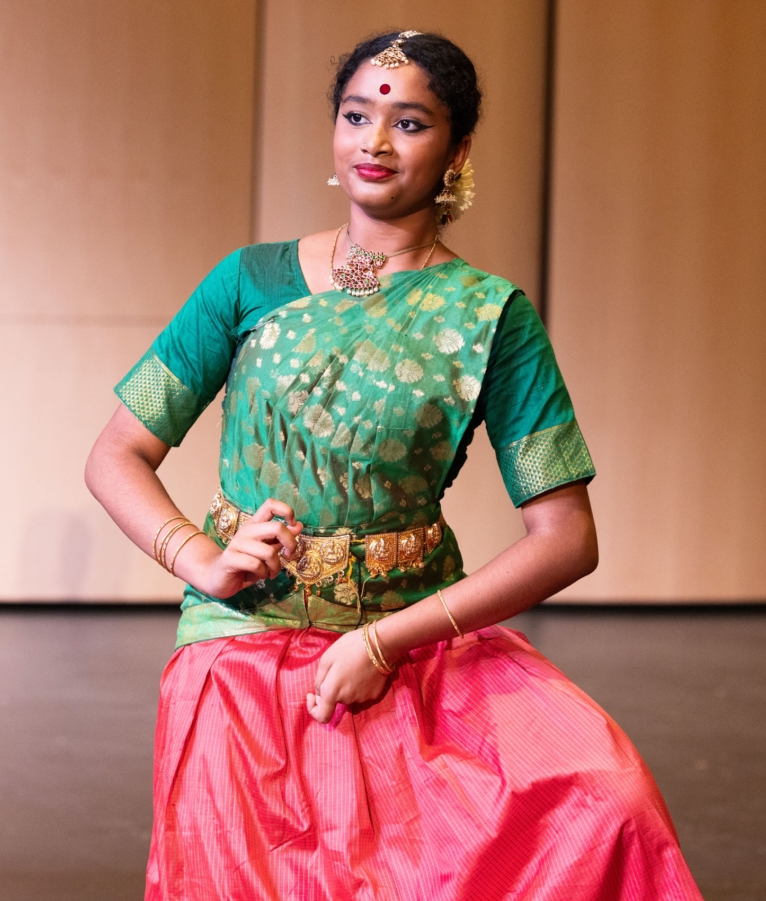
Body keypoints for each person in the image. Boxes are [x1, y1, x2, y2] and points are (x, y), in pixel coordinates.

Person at [87, 31, 702, 900]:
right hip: (243, 645)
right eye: (355, 116)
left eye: (409, 123)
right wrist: (200, 558)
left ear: (458, 151)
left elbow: (566, 536)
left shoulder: (491, 317)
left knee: (608, 804)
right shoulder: (247, 282)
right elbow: (117, 451)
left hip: (417, 644)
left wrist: (385, 639)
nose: (374, 142)